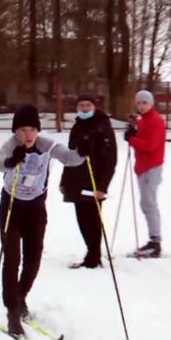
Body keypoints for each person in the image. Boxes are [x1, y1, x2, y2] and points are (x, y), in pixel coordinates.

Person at [0, 104, 88, 336]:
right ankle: (12, 311)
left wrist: (84, 151)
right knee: (12, 259)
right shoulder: (11, 146)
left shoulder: (46, 145)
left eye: (32, 130)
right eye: (22, 130)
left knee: (33, 258)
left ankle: (20, 297)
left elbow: (70, 158)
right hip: (12, 208)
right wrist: (10, 162)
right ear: (16, 132)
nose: (27, 135)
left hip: (35, 209)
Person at [59, 93, 117, 269]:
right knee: (82, 217)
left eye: (88, 105)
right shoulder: (77, 126)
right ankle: (90, 252)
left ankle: (94, 255)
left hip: (94, 177)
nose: (84, 108)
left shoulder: (102, 126)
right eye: (81, 105)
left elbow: (110, 158)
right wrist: (64, 180)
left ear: (94, 107)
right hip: (77, 178)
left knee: (92, 217)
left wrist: (103, 186)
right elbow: (69, 154)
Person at [125, 90, 167, 258]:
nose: (141, 106)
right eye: (139, 103)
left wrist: (132, 139)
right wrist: (133, 128)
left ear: (151, 104)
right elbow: (140, 131)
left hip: (152, 166)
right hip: (142, 167)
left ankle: (155, 242)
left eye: (144, 103)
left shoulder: (157, 121)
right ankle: (153, 239)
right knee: (145, 203)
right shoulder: (142, 121)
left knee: (149, 202)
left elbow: (151, 145)